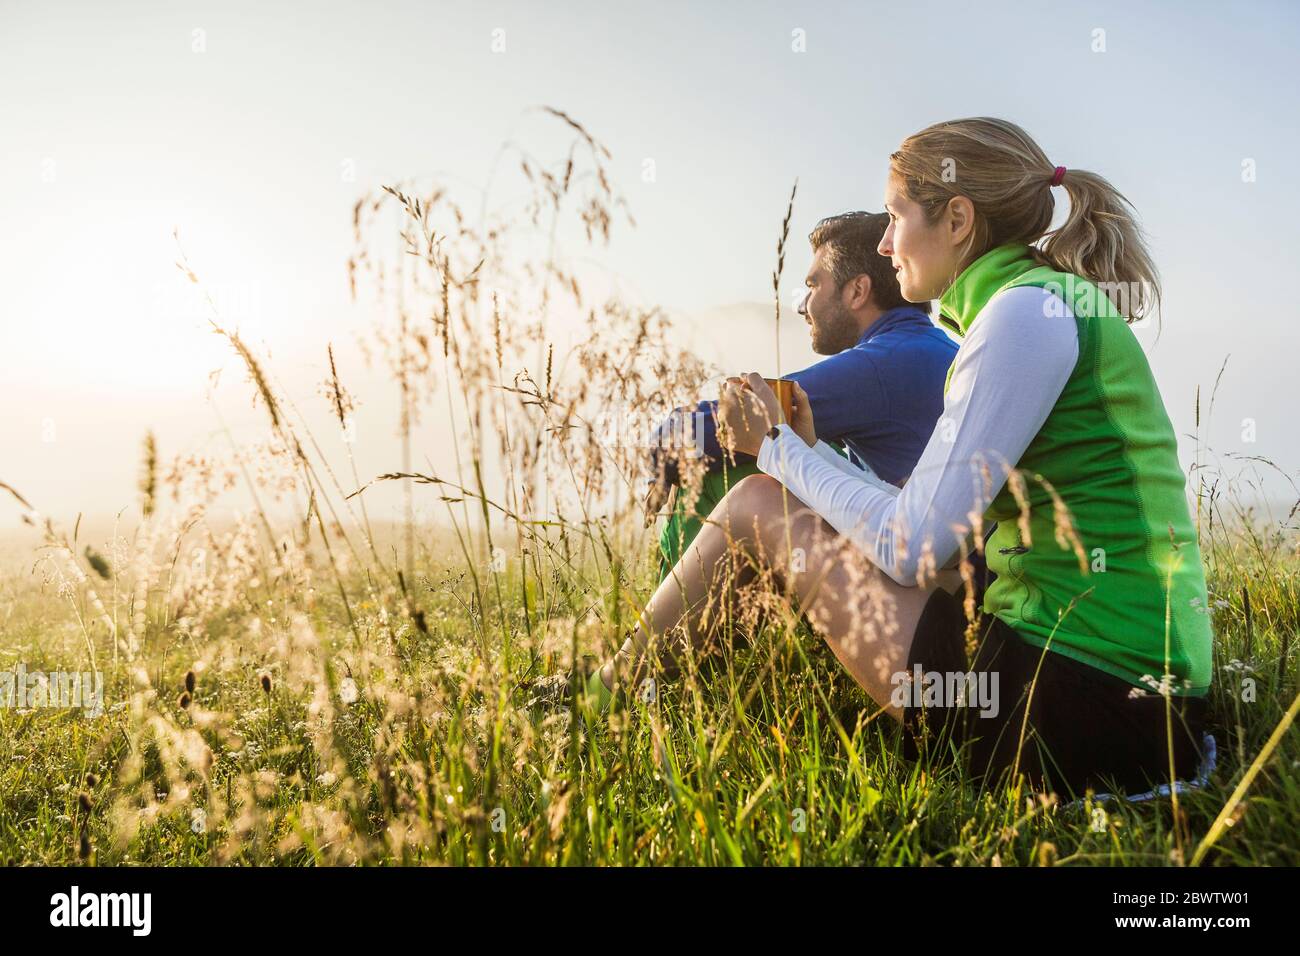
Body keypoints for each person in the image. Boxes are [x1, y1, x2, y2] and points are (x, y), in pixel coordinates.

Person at [530, 117, 1214, 800]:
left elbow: (913, 545)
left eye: (894, 216)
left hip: (1080, 714)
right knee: (796, 506)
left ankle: (601, 701)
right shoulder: (1039, 307)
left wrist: (775, 448)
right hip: (1127, 698)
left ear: (956, 219)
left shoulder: (1020, 319)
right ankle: (635, 687)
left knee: (755, 504)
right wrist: (811, 450)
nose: (885, 243)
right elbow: (932, 523)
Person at [647, 212, 958, 580]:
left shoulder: (878, 365)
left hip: (917, 582)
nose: (802, 305)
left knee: (729, 473)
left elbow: (714, 427)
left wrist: (660, 454)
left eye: (813, 285)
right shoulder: (931, 347)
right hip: (943, 566)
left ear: (857, 291)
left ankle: (669, 628)